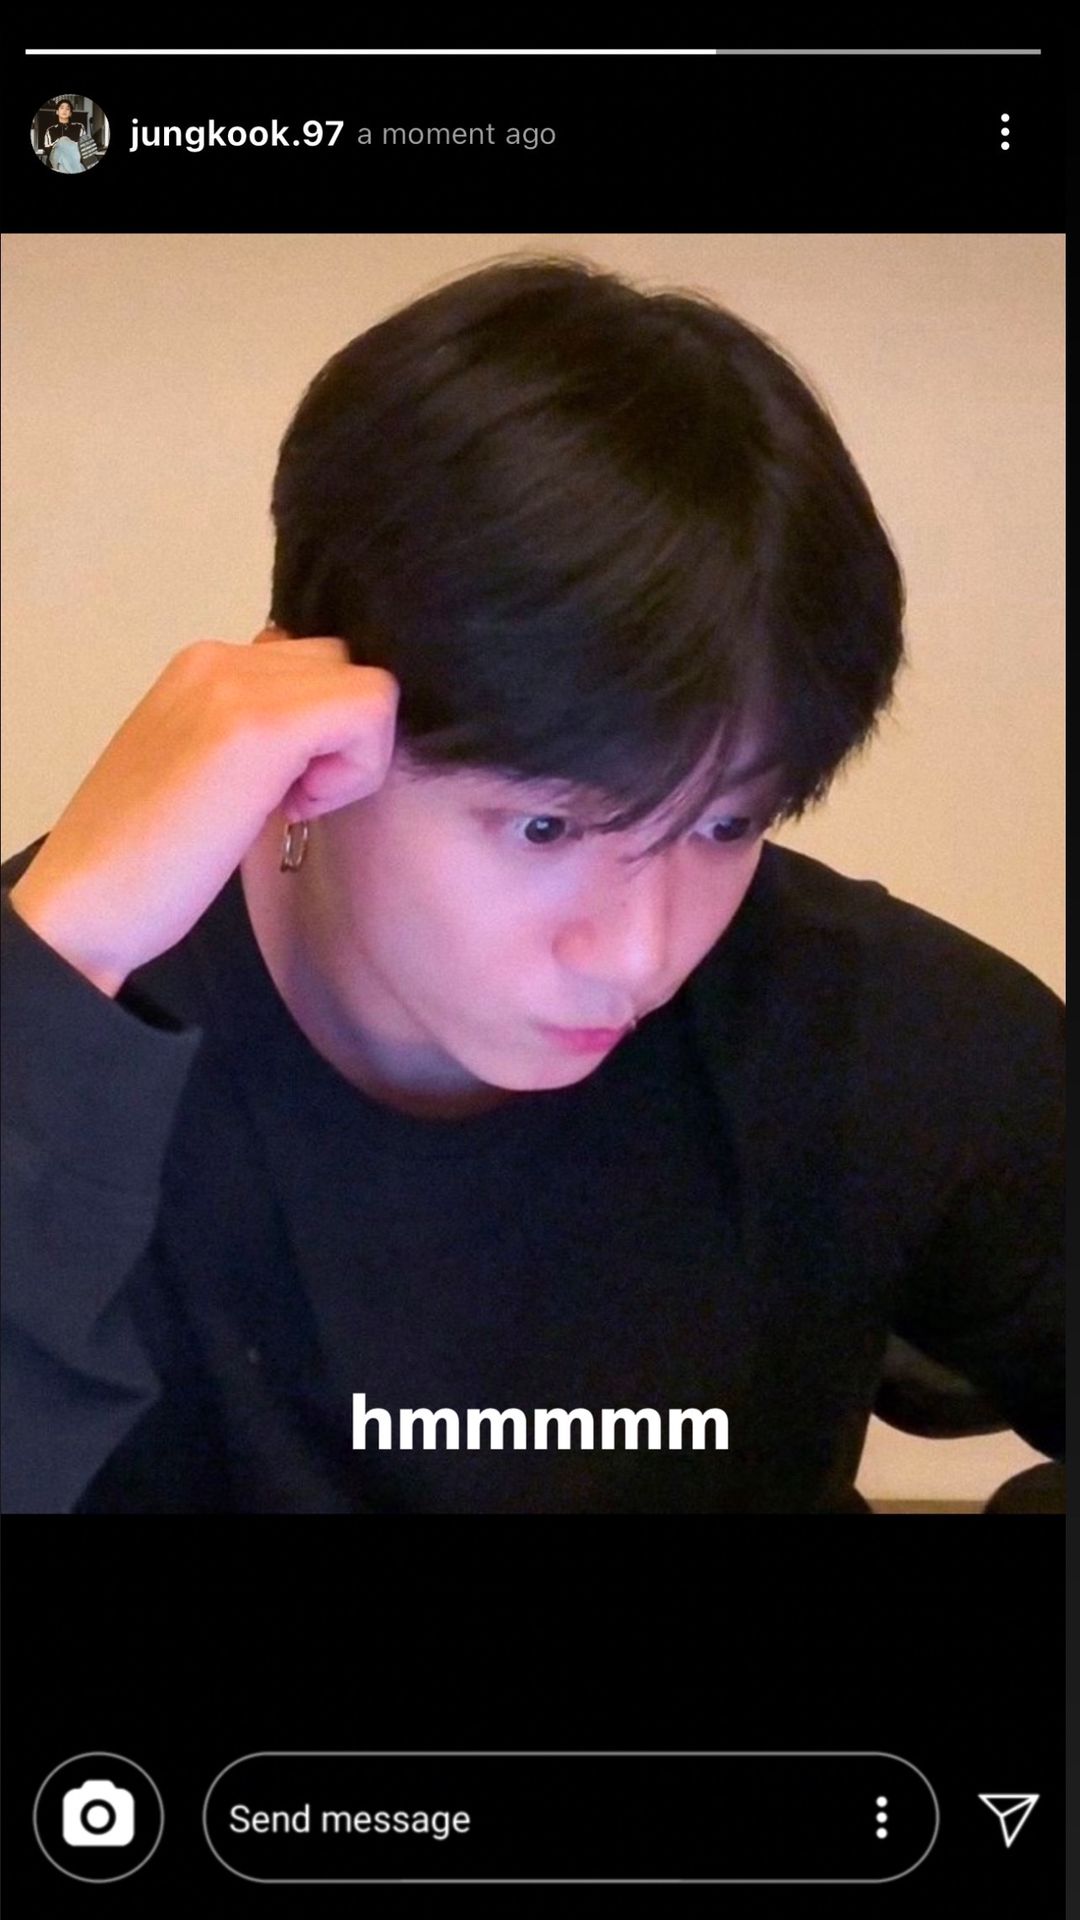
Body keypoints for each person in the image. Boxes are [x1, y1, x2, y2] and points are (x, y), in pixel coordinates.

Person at [0, 257, 1064, 1514]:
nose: (640, 952)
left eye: (725, 823)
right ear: (310, 729)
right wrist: (58, 962)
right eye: (547, 825)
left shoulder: (872, 1031)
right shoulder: (63, 1010)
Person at [42, 98, 87, 171]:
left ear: (70, 113)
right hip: (57, 161)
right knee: (63, 141)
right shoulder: (50, 130)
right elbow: (48, 149)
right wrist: (62, 143)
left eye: (67, 109)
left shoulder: (79, 127)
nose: (64, 110)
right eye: (62, 108)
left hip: (74, 160)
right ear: (57, 112)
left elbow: (83, 145)